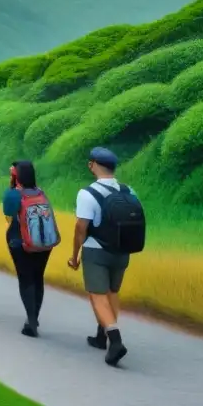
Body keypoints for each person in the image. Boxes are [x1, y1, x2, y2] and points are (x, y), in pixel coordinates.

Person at [67, 146, 146, 368]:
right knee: (112, 292)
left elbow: (81, 228)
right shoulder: (128, 190)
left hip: (96, 250)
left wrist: (75, 256)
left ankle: (115, 340)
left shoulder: (87, 194)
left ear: (93, 165)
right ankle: (102, 336)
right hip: (122, 250)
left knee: (97, 294)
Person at [2, 160, 60, 337]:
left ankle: (31, 320)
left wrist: (12, 185)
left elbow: (8, 216)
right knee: (37, 277)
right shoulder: (41, 192)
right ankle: (33, 317)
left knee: (25, 279)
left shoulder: (13, 194)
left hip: (20, 243)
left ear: (16, 176)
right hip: (44, 244)